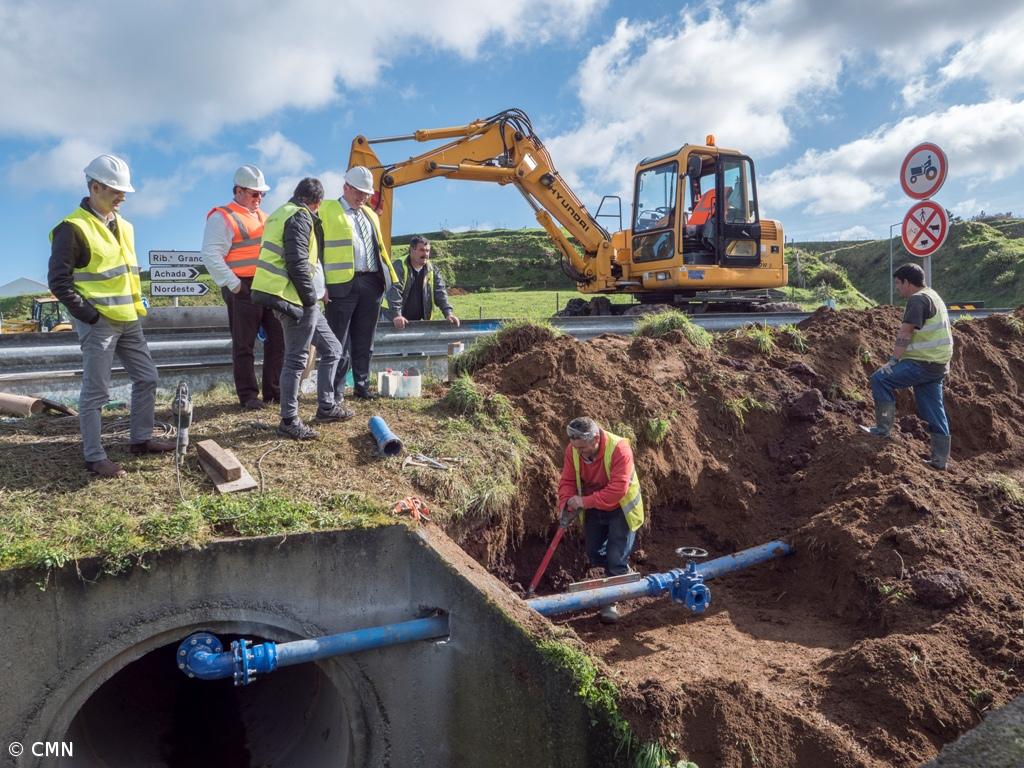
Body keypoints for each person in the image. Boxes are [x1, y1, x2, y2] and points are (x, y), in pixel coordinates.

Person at [48, 154, 174, 478]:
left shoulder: (125, 227)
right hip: (99, 323)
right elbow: (59, 282)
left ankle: (141, 440)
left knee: (147, 377)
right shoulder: (72, 228)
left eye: (124, 191)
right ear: (95, 187)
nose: (123, 197)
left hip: (129, 319)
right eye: (116, 190)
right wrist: (90, 316)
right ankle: (94, 457)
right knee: (96, 392)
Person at [251, 178, 347, 440]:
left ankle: (326, 406)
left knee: (333, 348)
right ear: (317, 202)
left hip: (296, 297)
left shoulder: (281, 213)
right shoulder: (300, 216)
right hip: (294, 299)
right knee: (296, 359)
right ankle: (289, 420)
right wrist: (309, 299)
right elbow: (297, 263)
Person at [200, 165, 283, 410]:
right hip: (242, 286)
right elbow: (211, 255)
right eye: (255, 193)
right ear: (238, 191)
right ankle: (248, 396)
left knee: (278, 339)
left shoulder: (264, 217)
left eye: (262, 194)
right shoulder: (222, 217)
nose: (259, 198)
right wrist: (235, 286)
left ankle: (274, 392)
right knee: (244, 344)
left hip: (266, 285)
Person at [318, 166, 404, 401]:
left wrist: (384, 282)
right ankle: (336, 391)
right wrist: (320, 284)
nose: (362, 197)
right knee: (338, 341)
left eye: (366, 194)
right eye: (358, 192)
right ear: (345, 187)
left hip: (371, 282)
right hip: (340, 285)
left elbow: (379, 249)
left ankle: (362, 386)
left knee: (365, 339)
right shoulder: (327, 210)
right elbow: (317, 249)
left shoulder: (370, 215)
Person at [860, 263, 953, 470]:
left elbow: (905, 332)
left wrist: (893, 361)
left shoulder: (917, 299)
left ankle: (882, 430)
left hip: (922, 362)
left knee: (880, 379)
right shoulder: (933, 295)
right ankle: (940, 460)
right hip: (938, 365)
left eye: (898, 284)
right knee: (934, 409)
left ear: (907, 283)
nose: (897, 288)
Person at [557, 417, 645, 624]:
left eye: (583, 448)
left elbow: (617, 490)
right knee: (594, 552)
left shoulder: (619, 449)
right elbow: (568, 480)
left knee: (615, 556)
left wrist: (584, 501)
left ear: (596, 438)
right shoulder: (574, 450)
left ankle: (611, 599)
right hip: (595, 505)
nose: (580, 452)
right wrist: (565, 502)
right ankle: (620, 574)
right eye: (576, 448)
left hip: (621, 508)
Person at [388, 236, 460, 325]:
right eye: (422, 250)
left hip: (417, 321)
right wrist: (396, 315)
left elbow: (440, 292)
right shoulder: (399, 266)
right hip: (392, 319)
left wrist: (448, 314)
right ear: (412, 250)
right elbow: (394, 291)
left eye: (427, 251)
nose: (425, 254)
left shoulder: (432, 269)